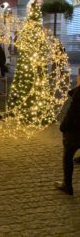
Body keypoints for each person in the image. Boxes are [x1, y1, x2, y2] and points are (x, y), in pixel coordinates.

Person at [54, 67, 80, 195]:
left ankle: (67, 185)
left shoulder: (79, 94)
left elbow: (72, 115)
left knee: (67, 157)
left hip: (75, 134)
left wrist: (63, 127)